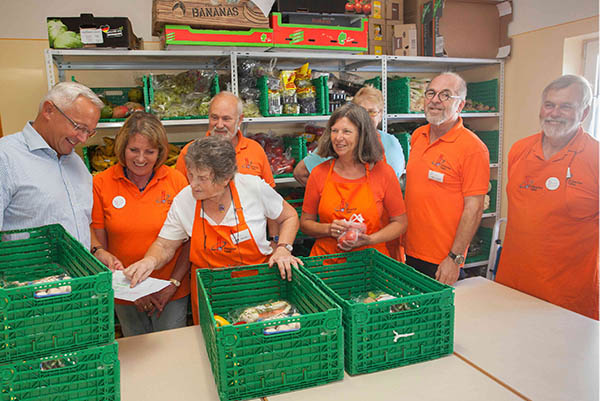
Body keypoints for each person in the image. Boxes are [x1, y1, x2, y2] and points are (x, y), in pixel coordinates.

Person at [123, 136, 302, 324]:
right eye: (191, 175)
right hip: (210, 294)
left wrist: (283, 247)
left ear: (225, 178)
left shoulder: (252, 187)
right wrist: (149, 261)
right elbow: (165, 245)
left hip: (255, 288)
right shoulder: (184, 200)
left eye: (202, 178)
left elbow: (289, 216)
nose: (193, 184)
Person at [496, 75, 599, 320]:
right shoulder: (520, 150)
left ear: (584, 112)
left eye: (566, 106)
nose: (554, 113)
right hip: (513, 287)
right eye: (549, 105)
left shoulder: (595, 158)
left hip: (568, 299)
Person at [90, 112, 190, 336]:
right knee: (136, 356)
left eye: (150, 151)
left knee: (172, 353)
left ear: (160, 152)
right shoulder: (101, 183)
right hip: (125, 292)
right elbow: (99, 242)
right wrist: (129, 289)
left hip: (170, 291)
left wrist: (172, 284)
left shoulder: (176, 181)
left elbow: (188, 241)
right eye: (134, 150)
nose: (141, 158)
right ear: (122, 148)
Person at [404, 72, 490, 285]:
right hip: (409, 251)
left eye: (445, 95)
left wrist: (455, 258)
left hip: (442, 259)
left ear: (460, 106)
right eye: (431, 93)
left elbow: (475, 208)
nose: (435, 100)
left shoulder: (473, 149)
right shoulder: (418, 136)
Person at [0, 82, 102, 248]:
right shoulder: (5, 157)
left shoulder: (76, 162)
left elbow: (81, 223)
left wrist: (97, 252)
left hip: (78, 273)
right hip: (28, 273)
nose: (83, 139)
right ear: (49, 110)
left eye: (89, 132)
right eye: (78, 127)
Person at [299, 102, 407, 257]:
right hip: (327, 264)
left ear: (362, 135)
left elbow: (400, 223)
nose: (338, 138)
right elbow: (305, 224)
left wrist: (369, 239)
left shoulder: (383, 173)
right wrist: (329, 229)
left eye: (347, 132)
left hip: (370, 263)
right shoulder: (319, 173)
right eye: (334, 131)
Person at [293, 85, 406, 185]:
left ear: (380, 115)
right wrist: (327, 196)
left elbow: (396, 179)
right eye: (361, 111)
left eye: (372, 112)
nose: (366, 117)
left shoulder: (391, 142)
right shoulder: (339, 142)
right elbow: (300, 172)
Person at [175, 91, 274, 187]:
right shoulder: (189, 152)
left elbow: (269, 194)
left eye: (226, 119)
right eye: (214, 117)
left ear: (239, 120)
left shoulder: (255, 150)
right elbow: (180, 195)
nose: (219, 125)